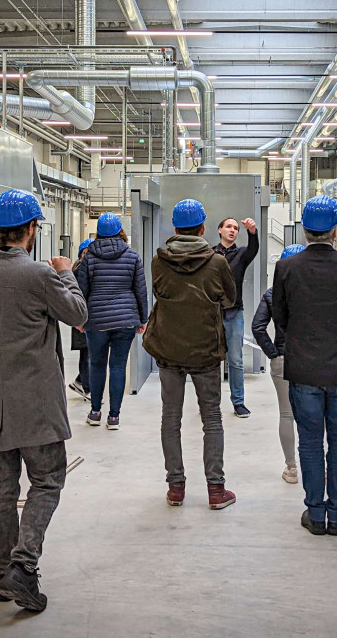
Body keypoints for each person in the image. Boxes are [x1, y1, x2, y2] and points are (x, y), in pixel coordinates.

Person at [0, 189, 87, 612]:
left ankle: (2, 573)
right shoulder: (40, 276)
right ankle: (23, 568)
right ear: (30, 231)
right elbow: (78, 315)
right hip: (37, 403)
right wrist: (66, 272)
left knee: (2, 488)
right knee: (47, 480)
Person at [273, 195, 337, 537]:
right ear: (335, 229)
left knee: (310, 442)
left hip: (304, 369)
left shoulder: (286, 268)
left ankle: (316, 513)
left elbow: (281, 317)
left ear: (303, 228)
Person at [143, 199, 237, 510]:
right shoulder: (217, 262)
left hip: (168, 348)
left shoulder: (159, 262)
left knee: (171, 417)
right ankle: (215, 490)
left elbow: (160, 293)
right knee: (211, 418)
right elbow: (230, 298)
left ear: (174, 228)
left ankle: (176, 488)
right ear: (202, 229)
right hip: (205, 350)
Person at [76, 213, 149, 430]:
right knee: (117, 367)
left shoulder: (88, 258)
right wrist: (142, 318)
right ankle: (114, 417)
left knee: (96, 365)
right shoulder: (132, 256)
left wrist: (79, 319)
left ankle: (95, 412)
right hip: (125, 318)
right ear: (120, 231)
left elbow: (82, 291)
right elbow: (140, 291)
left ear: (98, 232)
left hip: (96, 320)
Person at [252, 243, 305, 484]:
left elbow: (257, 327)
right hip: (312, 359)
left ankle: (291, 468)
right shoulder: (316, 291)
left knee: (287, 414)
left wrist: (273, 353)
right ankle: (320, 465)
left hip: (282, 359)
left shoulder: (273, 293)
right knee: (315, 414)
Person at [213, 215, 259, 418]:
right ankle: (210, 402)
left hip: (234, 313)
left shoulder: (241, 254)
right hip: (212, 314)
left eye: (235, 228)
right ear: (219, 230)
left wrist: (252, 232)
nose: (232, 230)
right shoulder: (210, 254)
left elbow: (253, 249)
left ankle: (238, 402)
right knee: (211, 360)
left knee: (235, 360)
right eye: (228, 227)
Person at [69, 238, 93, 401]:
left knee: (88, 353)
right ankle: (87, 388)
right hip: (81, 318)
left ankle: (80, 382)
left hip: (83, 317)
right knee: (87, 354)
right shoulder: (79, 270)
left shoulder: (82, 268)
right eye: (87, 252)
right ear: (81, 254)